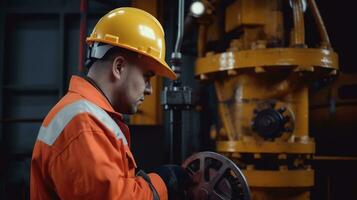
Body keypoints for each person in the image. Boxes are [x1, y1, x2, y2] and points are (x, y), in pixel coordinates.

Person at [31, 7, 186, 200]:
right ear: (119, 67)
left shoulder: (90, 117)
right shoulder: (84, 125)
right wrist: (163, 183)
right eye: (147, 77)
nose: (149, 89)